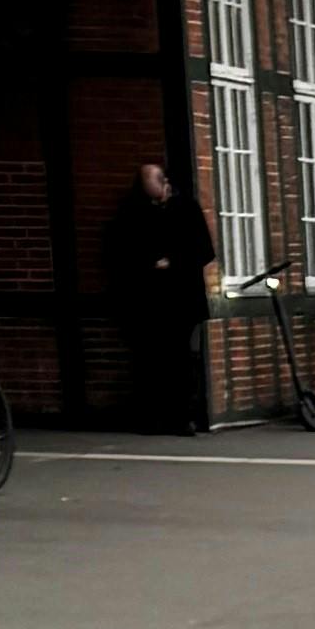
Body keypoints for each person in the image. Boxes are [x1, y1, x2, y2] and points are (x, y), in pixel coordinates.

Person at [102, 152, 215, 433]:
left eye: (153, 190)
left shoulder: (186, 209)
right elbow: (117, 251)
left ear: (164, 183)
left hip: (180, 298)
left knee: (178, 359)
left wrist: (173, 261)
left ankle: (180, 416)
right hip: (147, 300)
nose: (150, 197)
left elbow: (204, 250)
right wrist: (147, 263)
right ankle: (151, 417)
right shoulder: (133, 210)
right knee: (148, 361)